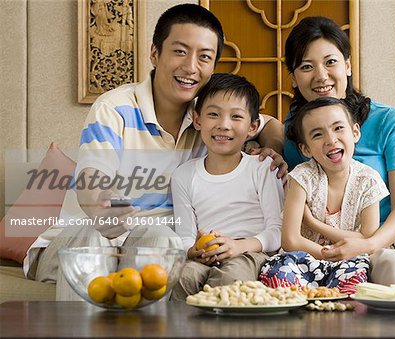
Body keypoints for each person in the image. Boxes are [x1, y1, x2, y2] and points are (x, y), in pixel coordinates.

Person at [25, 4, 286, 290]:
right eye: (180, 51)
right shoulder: (115, 108)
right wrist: (102, 203)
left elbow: (270, 124)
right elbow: (93, 175)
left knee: (163, 241)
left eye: (204, 57)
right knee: (98, 238)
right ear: (154, 53)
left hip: (151, 245)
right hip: (88, 234)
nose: (190, 66)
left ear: (212, 67)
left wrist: (270, 150)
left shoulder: (212, 117)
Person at [282, 16, 395, 285]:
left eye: (331, 62)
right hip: (350, 242)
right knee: (394, 271)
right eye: (306, 66)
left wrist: (369, 244)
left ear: (347, 66)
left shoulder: (389, 120)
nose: (321, 76)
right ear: (293, 77)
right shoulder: (294, 130)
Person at [170, 73, 284, 301]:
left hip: (251, 253)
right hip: (205, 254)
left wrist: (237, 246)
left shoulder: (262, 167)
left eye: (236, 117)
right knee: (181, 278)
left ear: (252, 127)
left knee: (229, 280)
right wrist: (194, 250)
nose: (223, 125)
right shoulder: (183, 175)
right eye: (213, 114)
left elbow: (277, 232)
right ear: (197, 120)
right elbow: (184, 236)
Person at [259, 97, 389, 294]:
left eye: (338, 128)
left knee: (355, 287)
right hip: (300, 258)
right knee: (278, 277)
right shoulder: (302, 177)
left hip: (349, 261)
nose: (331, 140)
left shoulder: (368, 180)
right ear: (306, 149)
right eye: (318, 134)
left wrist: (313, 224)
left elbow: (366, 237)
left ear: (355, 132)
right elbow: (290, 240)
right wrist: (331, 253)